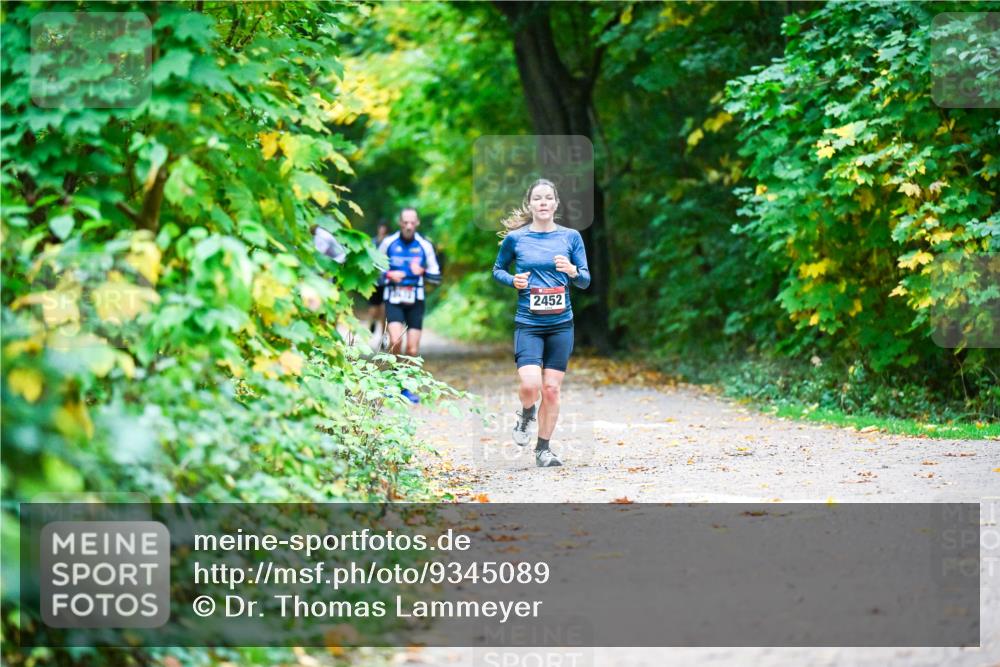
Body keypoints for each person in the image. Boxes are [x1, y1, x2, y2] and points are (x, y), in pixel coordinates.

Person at [492, 178, 590, 467]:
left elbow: (585, 280)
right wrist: (513, 280)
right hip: (529, 323)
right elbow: (497, 269)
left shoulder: (571, 237)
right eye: (538, 198)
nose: (543, 202)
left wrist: (572, 270)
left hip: (561, 323)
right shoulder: (517, 239)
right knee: (530, 384)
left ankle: (543, 449)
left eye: (548, 198)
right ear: (530, 204)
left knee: (551, 389)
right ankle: (525, 414)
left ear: (556, 204)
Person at [378, 207, 441, 403]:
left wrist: (421, 271)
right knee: (396, 342)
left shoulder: (424, 246)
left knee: (412, 350)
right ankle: (394, 383)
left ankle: (406, 388)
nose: (408, 226)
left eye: (412, 222)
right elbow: (374, 271)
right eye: (405, 222)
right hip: (394, 298)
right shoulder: (388, 243)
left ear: (417, 223)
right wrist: (389, 274)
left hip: (416, 300)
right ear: (400, 223)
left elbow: (437, 277)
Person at [367, 221, 390, 337]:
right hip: (374, 281)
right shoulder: (372, 243)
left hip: (387, 281)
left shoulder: (390, 244)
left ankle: (383, 336)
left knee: (384, 311)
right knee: (374, 309)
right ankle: (372, 322)